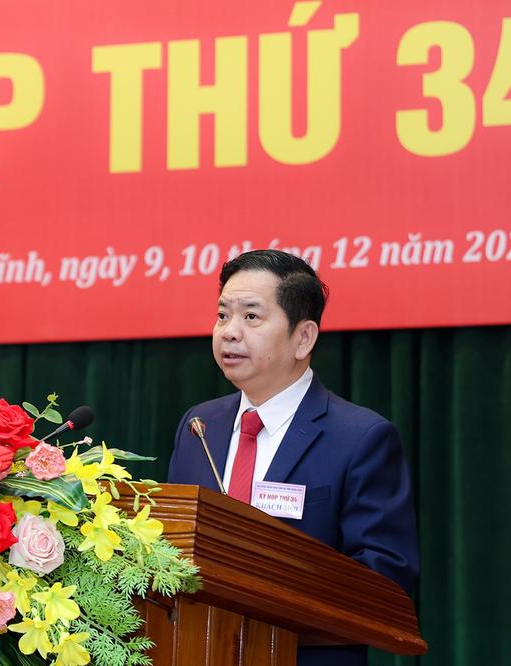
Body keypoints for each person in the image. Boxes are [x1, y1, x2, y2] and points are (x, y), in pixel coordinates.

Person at [167, 249, 419, 666]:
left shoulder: (360, 438)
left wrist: (270, 584)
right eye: (223, 315)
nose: (229, 332)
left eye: (251, 316)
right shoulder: (199, 426)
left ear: (303, 338)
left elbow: (386, 577)